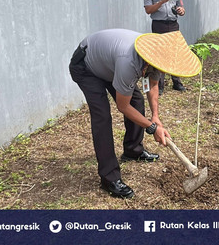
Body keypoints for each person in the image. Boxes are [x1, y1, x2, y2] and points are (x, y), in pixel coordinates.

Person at [69, 29, 201, 198]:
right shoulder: (129, 62)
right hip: (86, 67)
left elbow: (152, 85)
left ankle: (133, 150)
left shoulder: (156, 56)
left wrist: (155, 117)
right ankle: (109, 178)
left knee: (136, 101)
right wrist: (152, 128)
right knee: (102, 115)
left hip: (108, 65)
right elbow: (123, 106)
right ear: (148, 61)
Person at [143, 0, 187, 94]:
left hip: (173, 24)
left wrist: (181, 10)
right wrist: (162, 1)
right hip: (159, 25)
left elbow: (182, 7)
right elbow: (148, 10)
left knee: (174, 52)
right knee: (160, 53)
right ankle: (159, 84)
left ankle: (176, 82)